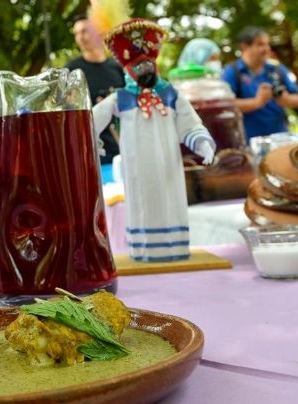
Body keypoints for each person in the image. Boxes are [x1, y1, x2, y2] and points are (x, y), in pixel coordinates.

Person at [90, 9, 215, 262]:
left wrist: (202, 143)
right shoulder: (122, 98)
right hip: (137, 166)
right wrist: (91, 140)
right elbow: (90, 120)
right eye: (138, 65)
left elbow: (190, 124)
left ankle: (174, 249)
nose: (145, 68)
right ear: (128, 69)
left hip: (169, 163)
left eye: (148, 63)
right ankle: (144, 250)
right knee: (142, 204)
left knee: (171, 201)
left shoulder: (171, 94)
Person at [221, 26, 298, 139]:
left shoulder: (277, 69)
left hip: (281, 138)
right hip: (248, 143)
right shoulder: (232, 71)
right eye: (260, 44)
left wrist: (285, 99)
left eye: (267, 44)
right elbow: (224, 106)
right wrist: (257, 102)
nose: (267, 49)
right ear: (244, 47)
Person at [65, 14, 124, 164]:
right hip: (89, 152)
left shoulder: (117, 68)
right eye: (76, 33)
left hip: (121, 149)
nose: (80, 37)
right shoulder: (71, 71)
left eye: (85, 31)